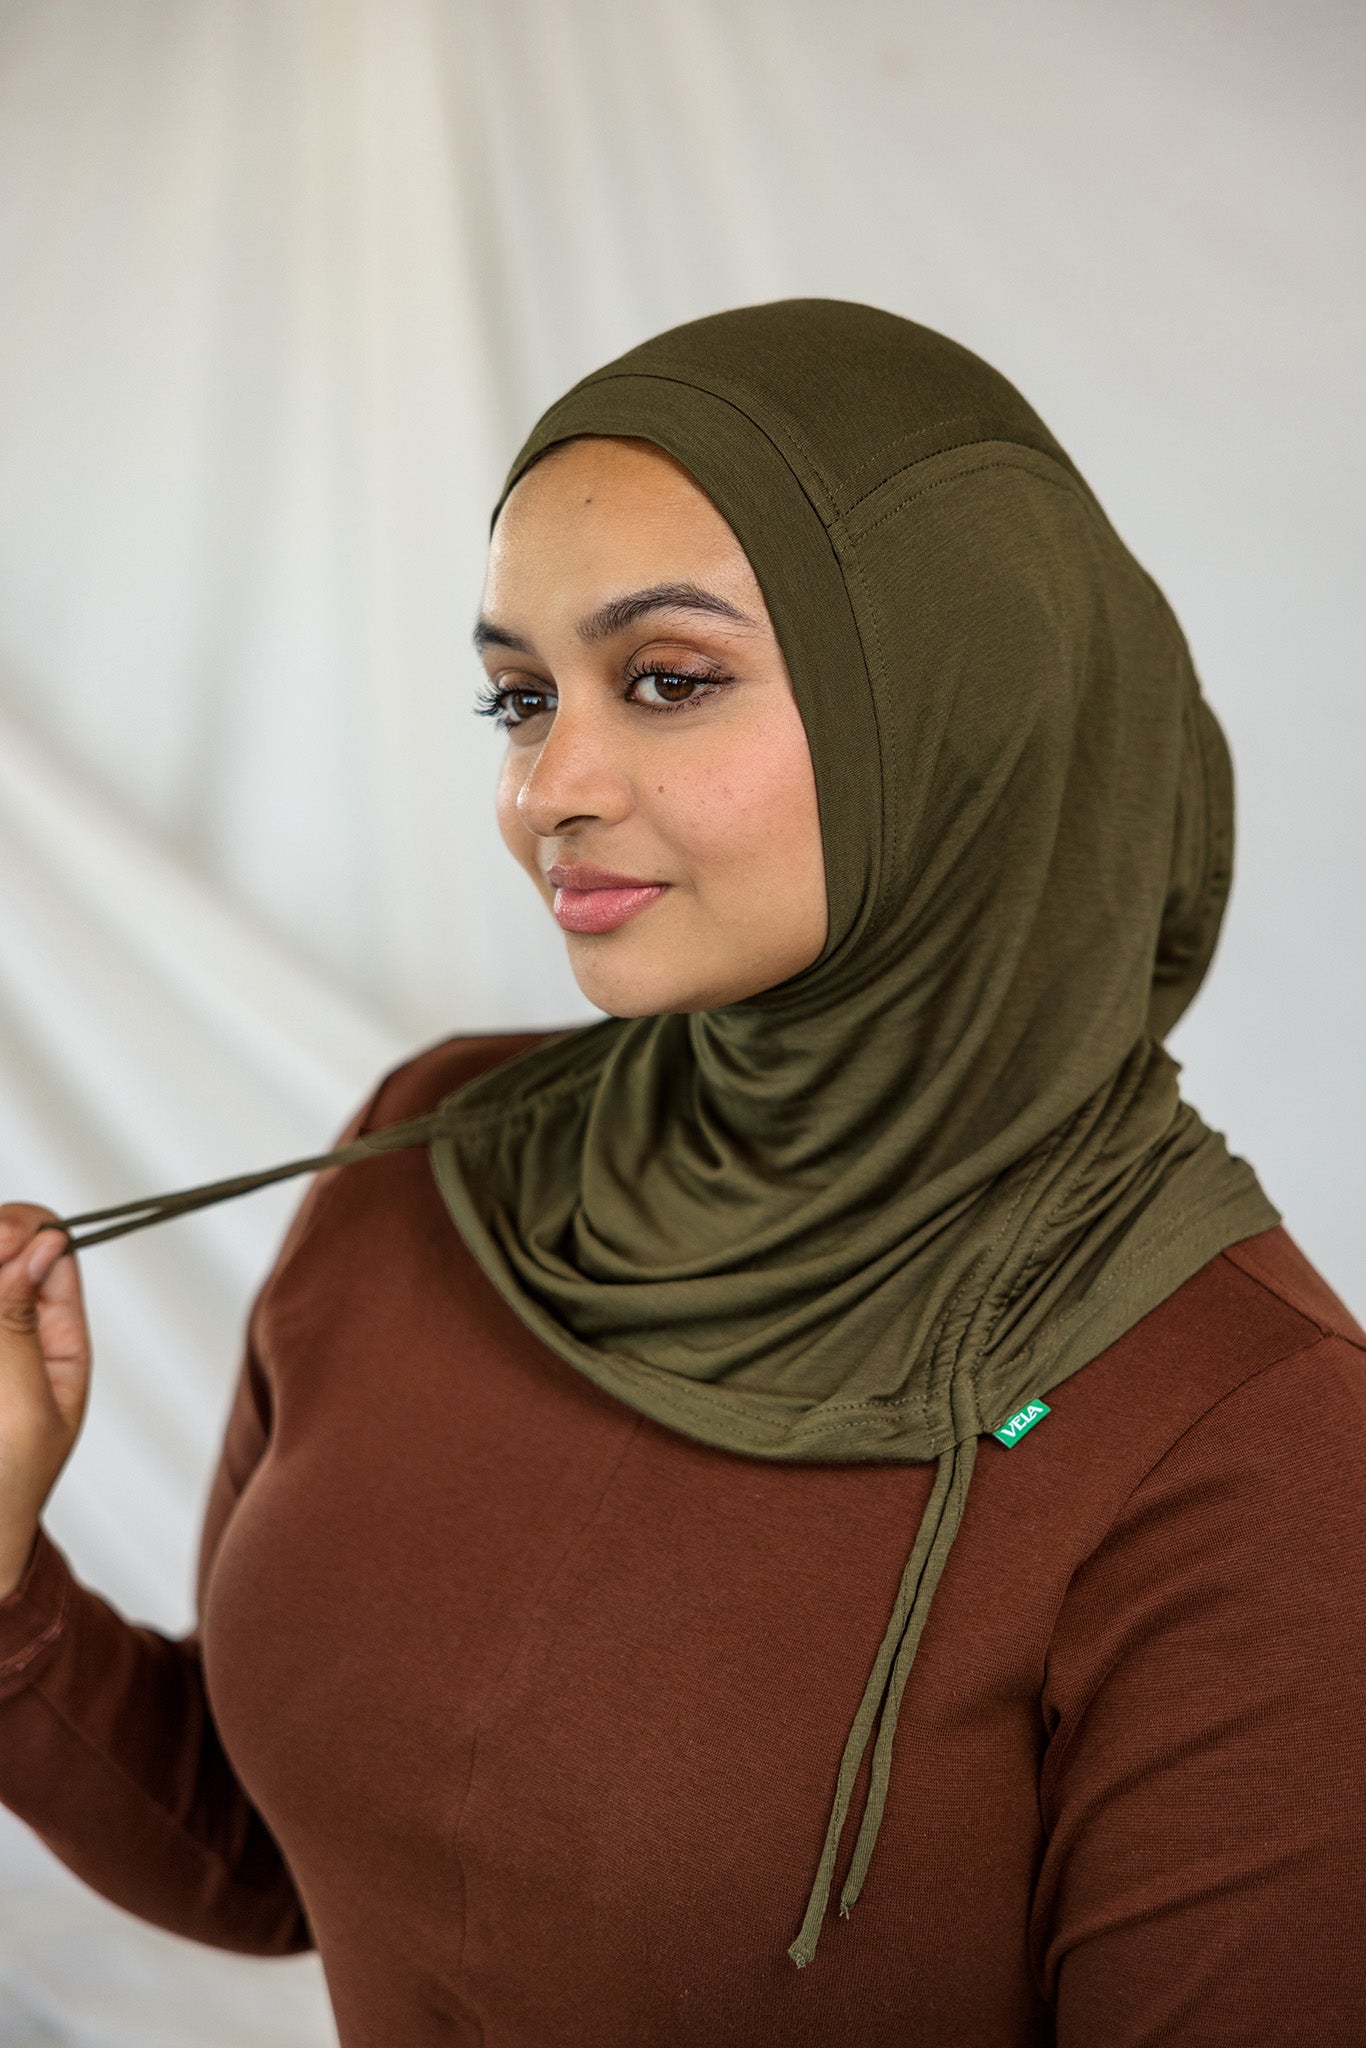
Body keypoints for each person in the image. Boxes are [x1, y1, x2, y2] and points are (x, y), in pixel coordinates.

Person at [0, 300, 1362, 2047]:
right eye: (519, 698)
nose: (545, 789)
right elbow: (273, 1856)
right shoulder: (433, 1162)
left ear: (963, 706)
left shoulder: (1250, 1443)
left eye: (666, 681)